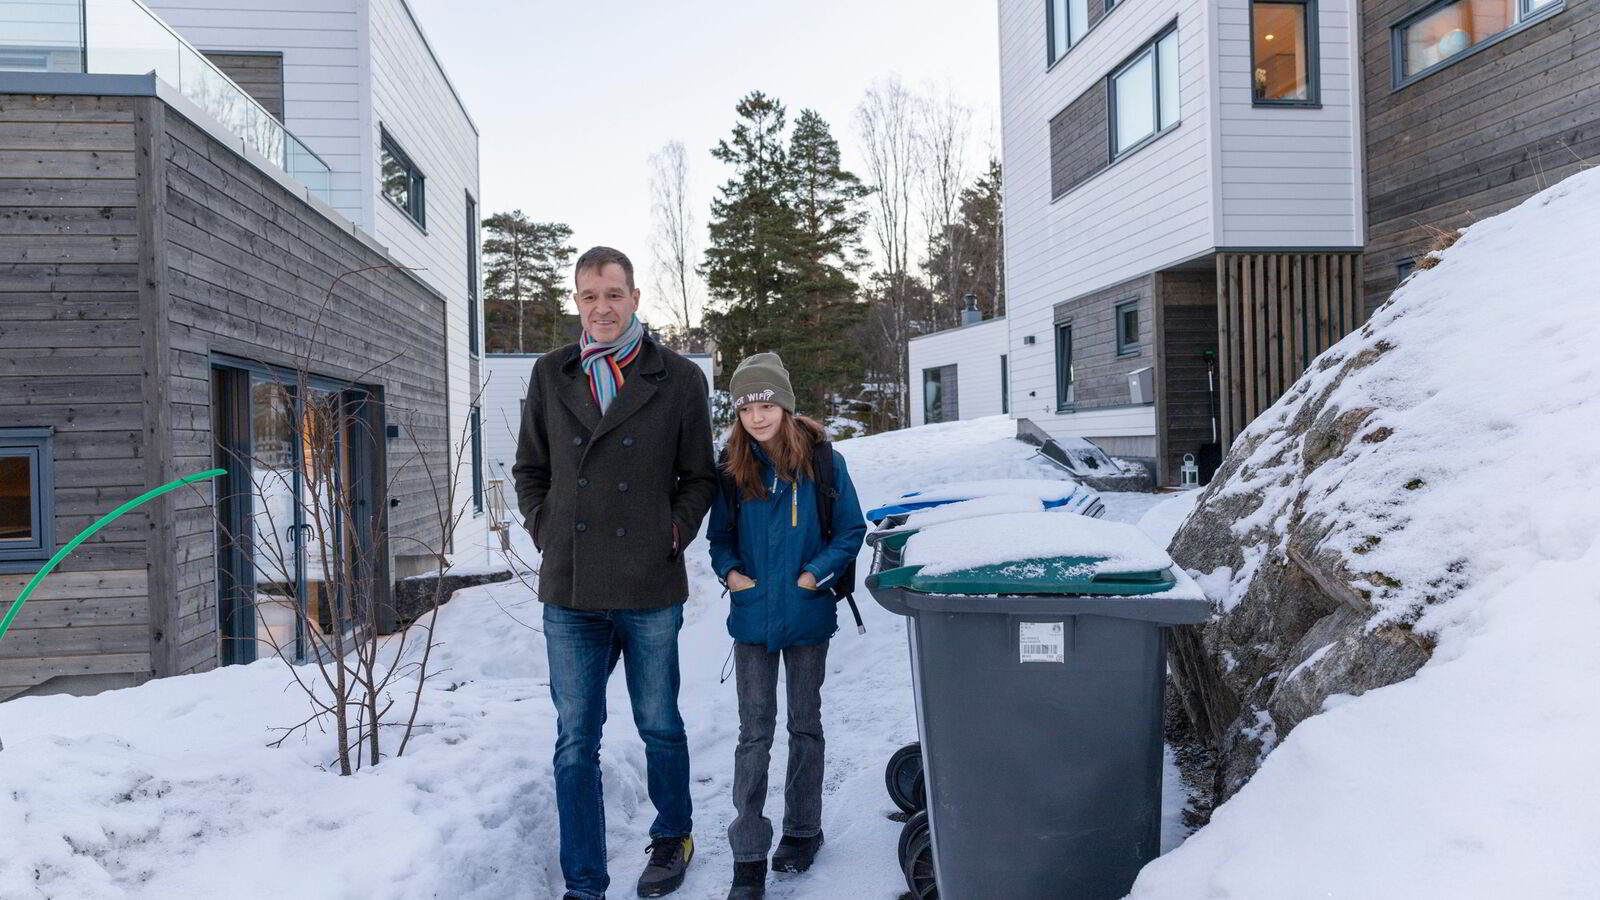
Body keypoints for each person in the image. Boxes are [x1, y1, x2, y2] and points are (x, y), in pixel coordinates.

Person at [513, 246, 718, 900]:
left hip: (648, 584)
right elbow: (530, 470)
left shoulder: (678, 378)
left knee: (658, 721)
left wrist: (673, 531)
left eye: (613, 294)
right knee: (576, 740)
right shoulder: (552, 373)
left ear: (635, 297)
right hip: (571, 588)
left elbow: (699, 476)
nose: (601, 308)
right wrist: (546, 529)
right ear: (577, 301)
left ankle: (672, 835)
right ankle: (584, 882)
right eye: (588, 296)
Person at [705, 352, 867, 900]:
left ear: (785, 405)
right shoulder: (731, 468)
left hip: (807, 614)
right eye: (746, 405)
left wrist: (813, 576)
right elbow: (719, 539)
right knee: (754, 734)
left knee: (804, 726)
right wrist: (731, 574)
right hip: (751, 619)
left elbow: (851, 531)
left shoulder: (823, 463)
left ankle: (802, 830)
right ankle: (748, 853)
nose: (757, 414)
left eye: (766, 402)